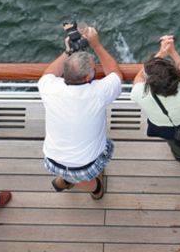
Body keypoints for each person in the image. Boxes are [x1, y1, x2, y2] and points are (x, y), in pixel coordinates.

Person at [38, 25, 123, 200]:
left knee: (71, 168)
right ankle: (95, 189)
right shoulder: (98, 92)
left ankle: (65, 181)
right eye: (94, 69)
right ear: (87, 78)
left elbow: (48, 74)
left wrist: (68, 52)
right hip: (85, 165)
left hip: (52, 161)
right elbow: (115, 74)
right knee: (88, 177)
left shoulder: (49, 88)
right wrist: (96, 45)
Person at [130, 35, 180, 161]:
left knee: (172, 140)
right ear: (175, 75)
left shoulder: (140, 93)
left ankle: (178, 154)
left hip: (161, 126)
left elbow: (139, 77)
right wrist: (172, 52)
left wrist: (161, 53)